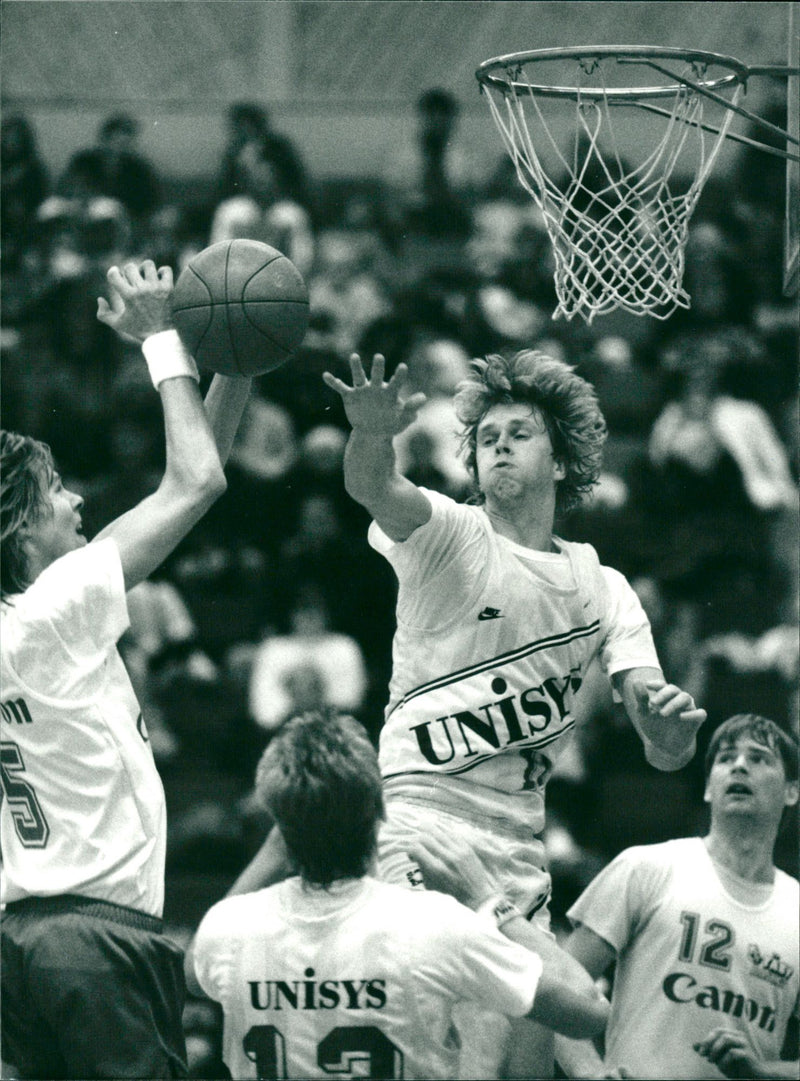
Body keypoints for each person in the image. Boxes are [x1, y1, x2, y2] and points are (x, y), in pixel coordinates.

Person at [321, 348, 708, 1078]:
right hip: (418, 820)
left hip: (518, 846)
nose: (498, 443)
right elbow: (374, 484)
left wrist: (667, 726)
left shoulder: (606, 587)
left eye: (519, 432)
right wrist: (372, 433)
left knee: (528, 1061)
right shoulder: (450, 534)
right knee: (477, 1039)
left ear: (561, 463)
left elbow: (664, 748)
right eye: (487, 435)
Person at [0, 258, 253, 1080]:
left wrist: (237, 367)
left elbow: (194, 483)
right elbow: (197, 479)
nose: (77, 502)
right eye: (57, 491)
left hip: (22, 937)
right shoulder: (54, 606)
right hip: (97, 938)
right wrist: (163, 339)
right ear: (19, 528)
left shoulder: (26, 620)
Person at [188, 709, 609, 1081]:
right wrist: (486, 898)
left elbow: (191, 971)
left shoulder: (227, 930)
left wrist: (278, 843)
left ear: (278, 818)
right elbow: (588, 1010)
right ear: (378, 813)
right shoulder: (435, 926)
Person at [558, 713, 799, 1080]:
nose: (738, 766)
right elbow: (552, 990)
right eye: (725, 757)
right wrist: (588, 1071)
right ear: (707, 788)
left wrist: (764, 1073)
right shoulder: (646, 867)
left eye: (759, 758)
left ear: (792, 791)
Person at [58, 112, 161, 224]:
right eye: (115, 141)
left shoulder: (138, 169)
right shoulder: (83, 161)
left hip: (123, 219)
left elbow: (148, 201)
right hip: (81, 212)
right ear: (105, 139)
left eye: (125, 143)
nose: (119, 147)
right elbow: (68, 187)